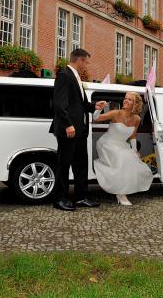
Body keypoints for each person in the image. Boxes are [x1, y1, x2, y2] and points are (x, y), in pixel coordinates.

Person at [49, 49, 107, 211]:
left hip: (80, 131)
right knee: (64, 165)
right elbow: (59, 104)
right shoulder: (64, 75)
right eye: (86, 62)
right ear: (79, 60)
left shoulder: (76, 77)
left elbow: (79, 105)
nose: (86, 66)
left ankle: (81, 197)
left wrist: (94, 106)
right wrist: (68, 124)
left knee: (81, 164)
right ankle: (59, 199)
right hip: (69, 130)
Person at [93, 92, 154, 206]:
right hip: (107, 143)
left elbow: (133, 135)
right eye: (125, 98)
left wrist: (135, 150)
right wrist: (99, 109)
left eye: (129, 100)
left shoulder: (137, 118)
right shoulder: (116, 113)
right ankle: (121, 193)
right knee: (123, 157)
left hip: (121, 145)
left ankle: (123, 188)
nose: (125, 101)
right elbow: (96, 118)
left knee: (133, 159)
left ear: (135, 104)